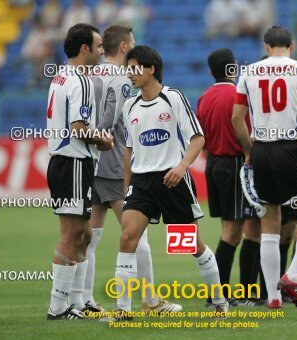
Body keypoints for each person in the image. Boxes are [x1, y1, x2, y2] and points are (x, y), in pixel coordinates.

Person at [114, 45, 228, 320]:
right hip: (142, 183)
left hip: (172, 180)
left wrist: (182, 166)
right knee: (128, 237)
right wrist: (126, 185)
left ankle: (218, 300)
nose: (130, 74)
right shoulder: (129, 105)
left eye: (135, 68)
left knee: (191, 245)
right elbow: (128, 149)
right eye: (127, 69)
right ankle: (123, 310)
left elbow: (197, 138)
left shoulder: (173, 98)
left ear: (151, 69)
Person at [85, 25, 181, 314]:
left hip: (90, 162)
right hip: (114, 161)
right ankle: (150, 300)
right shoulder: (124, 78)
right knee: (135, 233)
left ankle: (83, 300)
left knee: (89, 237)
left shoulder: (89, 74)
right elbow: (117, 121)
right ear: (125, 47)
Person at [232, 26, 297, 308]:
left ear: (265, 46)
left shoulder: (249, 72)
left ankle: (273, 298)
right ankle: (293, 275)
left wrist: (249, 151)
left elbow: (237, 118)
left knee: (269, 226)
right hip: (291, 147)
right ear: (292, 45)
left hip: (261, 149)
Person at [45, 23, 113, 320]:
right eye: (98, 47)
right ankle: (58, 307)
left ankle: (77, 302)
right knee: (72, 235)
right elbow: (79, 129)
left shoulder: (61, 76)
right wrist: (104, 138)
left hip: (71, 163)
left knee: (84, 234)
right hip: (72, 161)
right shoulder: (80, 81)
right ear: (84, 48)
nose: (101, 52)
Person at [196, 48, 258, 307]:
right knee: (235, 233)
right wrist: (249, 153)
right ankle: (222, 295)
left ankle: (228, 293)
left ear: (211, 71)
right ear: (234, 68)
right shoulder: (239, 95)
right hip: (236, 163)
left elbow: (198, 137)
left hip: (214, 164)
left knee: (233, 230)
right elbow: (249, 130)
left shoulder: (203, 98)